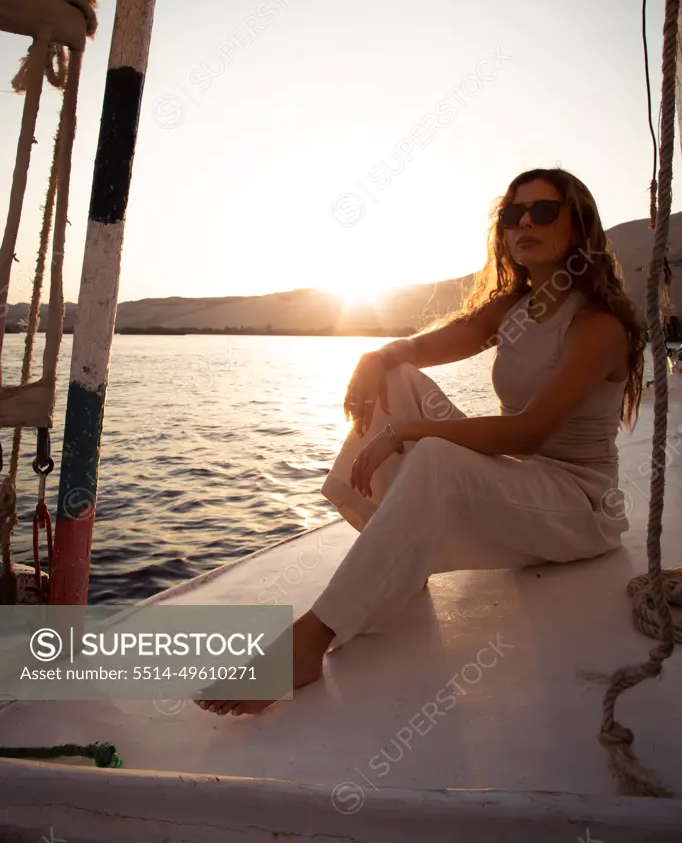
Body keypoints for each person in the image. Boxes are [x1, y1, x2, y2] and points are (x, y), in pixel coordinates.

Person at [195, 167, 645, 717]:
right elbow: (418, 349)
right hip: (523, 483)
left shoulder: (598, 324)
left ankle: (310, 640)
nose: (524, 222)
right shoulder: (512, 309)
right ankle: (397, 563)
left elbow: (531, 431)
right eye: (511, 214)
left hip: (578, 505)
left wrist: (410, 431)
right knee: (397, 378)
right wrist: (375, 357)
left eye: (543, 211)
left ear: (578, 226)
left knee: (432, 451)